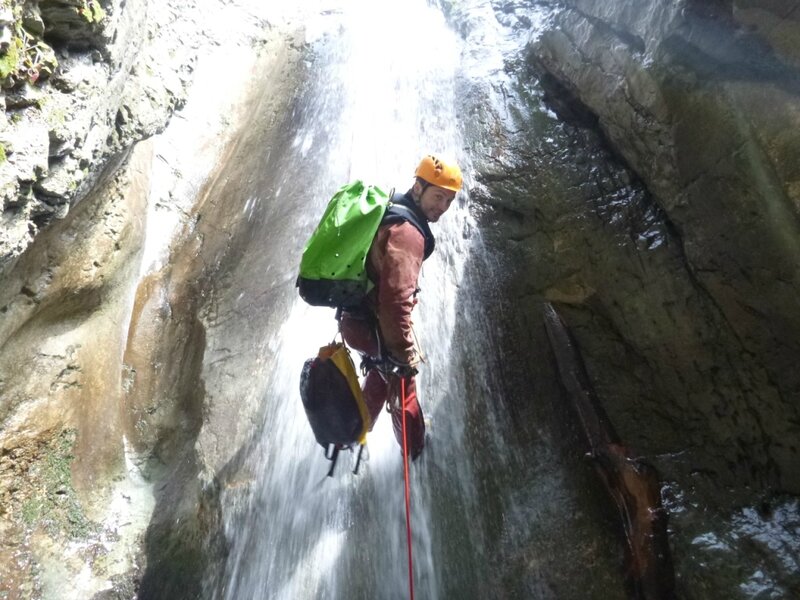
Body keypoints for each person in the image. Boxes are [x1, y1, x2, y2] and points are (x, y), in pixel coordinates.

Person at [339, 154, 463, 459]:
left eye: (448, 201)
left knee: (381, 376)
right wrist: (405, 352)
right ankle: (416, 452)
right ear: (418, 187)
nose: (442, 208)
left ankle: (353, 436)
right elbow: (395, 301)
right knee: (403, 391)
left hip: (358, 321)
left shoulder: (391, 209)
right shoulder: (409, 233)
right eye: (438, 197)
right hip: (376, 325)